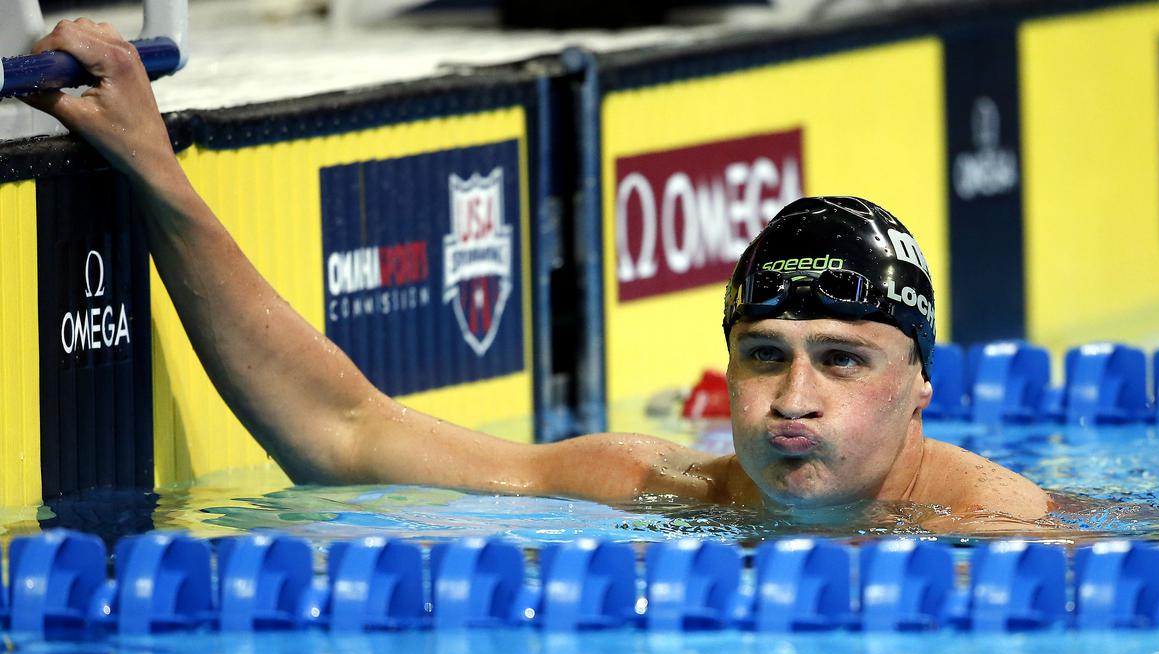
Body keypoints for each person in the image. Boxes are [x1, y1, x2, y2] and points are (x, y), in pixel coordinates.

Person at [23, 20, 1050, 531]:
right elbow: (344, 431)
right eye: (764, 353)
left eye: (842, 359)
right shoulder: (660, 488)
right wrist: (155, 170)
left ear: (924, 384)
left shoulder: (1013, 536)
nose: (792, 396)